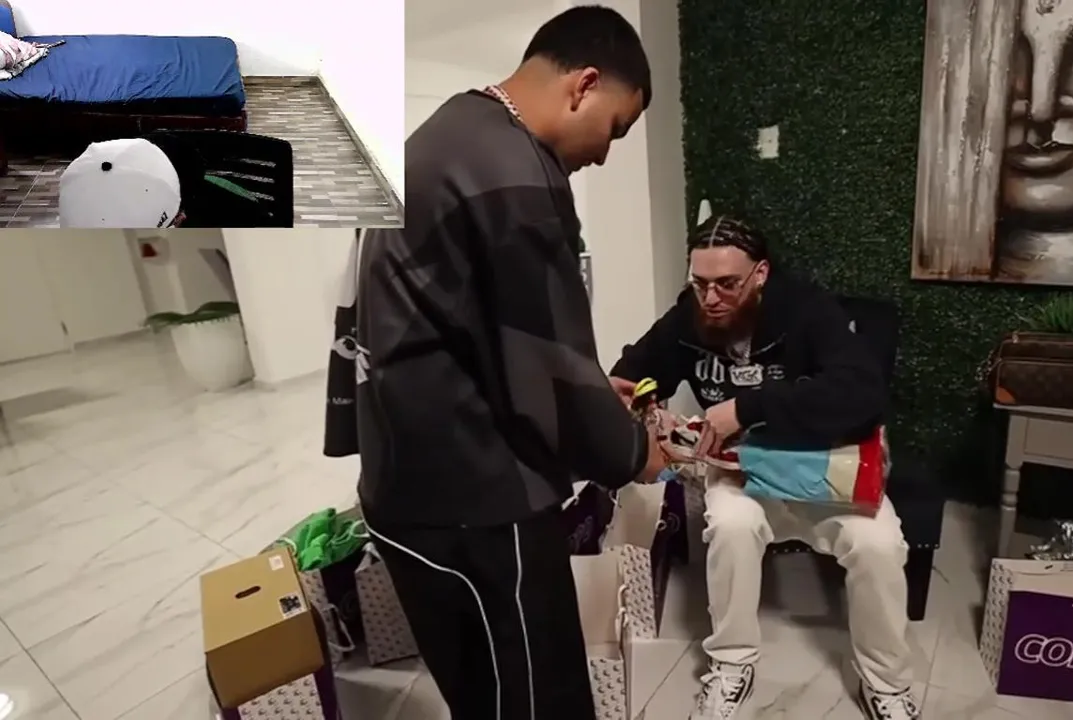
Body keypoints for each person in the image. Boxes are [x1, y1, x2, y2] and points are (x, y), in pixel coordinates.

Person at [354, 7, 666, 719]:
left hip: (405, 490)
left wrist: (587, 389)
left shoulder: (443, 136)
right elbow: (548, 370)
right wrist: (632, 450)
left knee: (479, 696)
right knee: (538, 699)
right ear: (585, 85)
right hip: (479, 504)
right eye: (616, 129)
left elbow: (471, 329)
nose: (605, 154)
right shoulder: (518, 173)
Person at [609, 215, 920, 720]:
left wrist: (747, 407)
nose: (711, 298)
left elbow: (863, 393)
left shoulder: (808, 309)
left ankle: (884, 683)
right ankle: (732, 664)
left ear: (760, 274)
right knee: (731, 526)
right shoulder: (690, 316)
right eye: (700, 283)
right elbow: (636, 370)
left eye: (727, 284)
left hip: (823, 465)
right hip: (743, 469)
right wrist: (628, 397)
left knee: (879, 546)